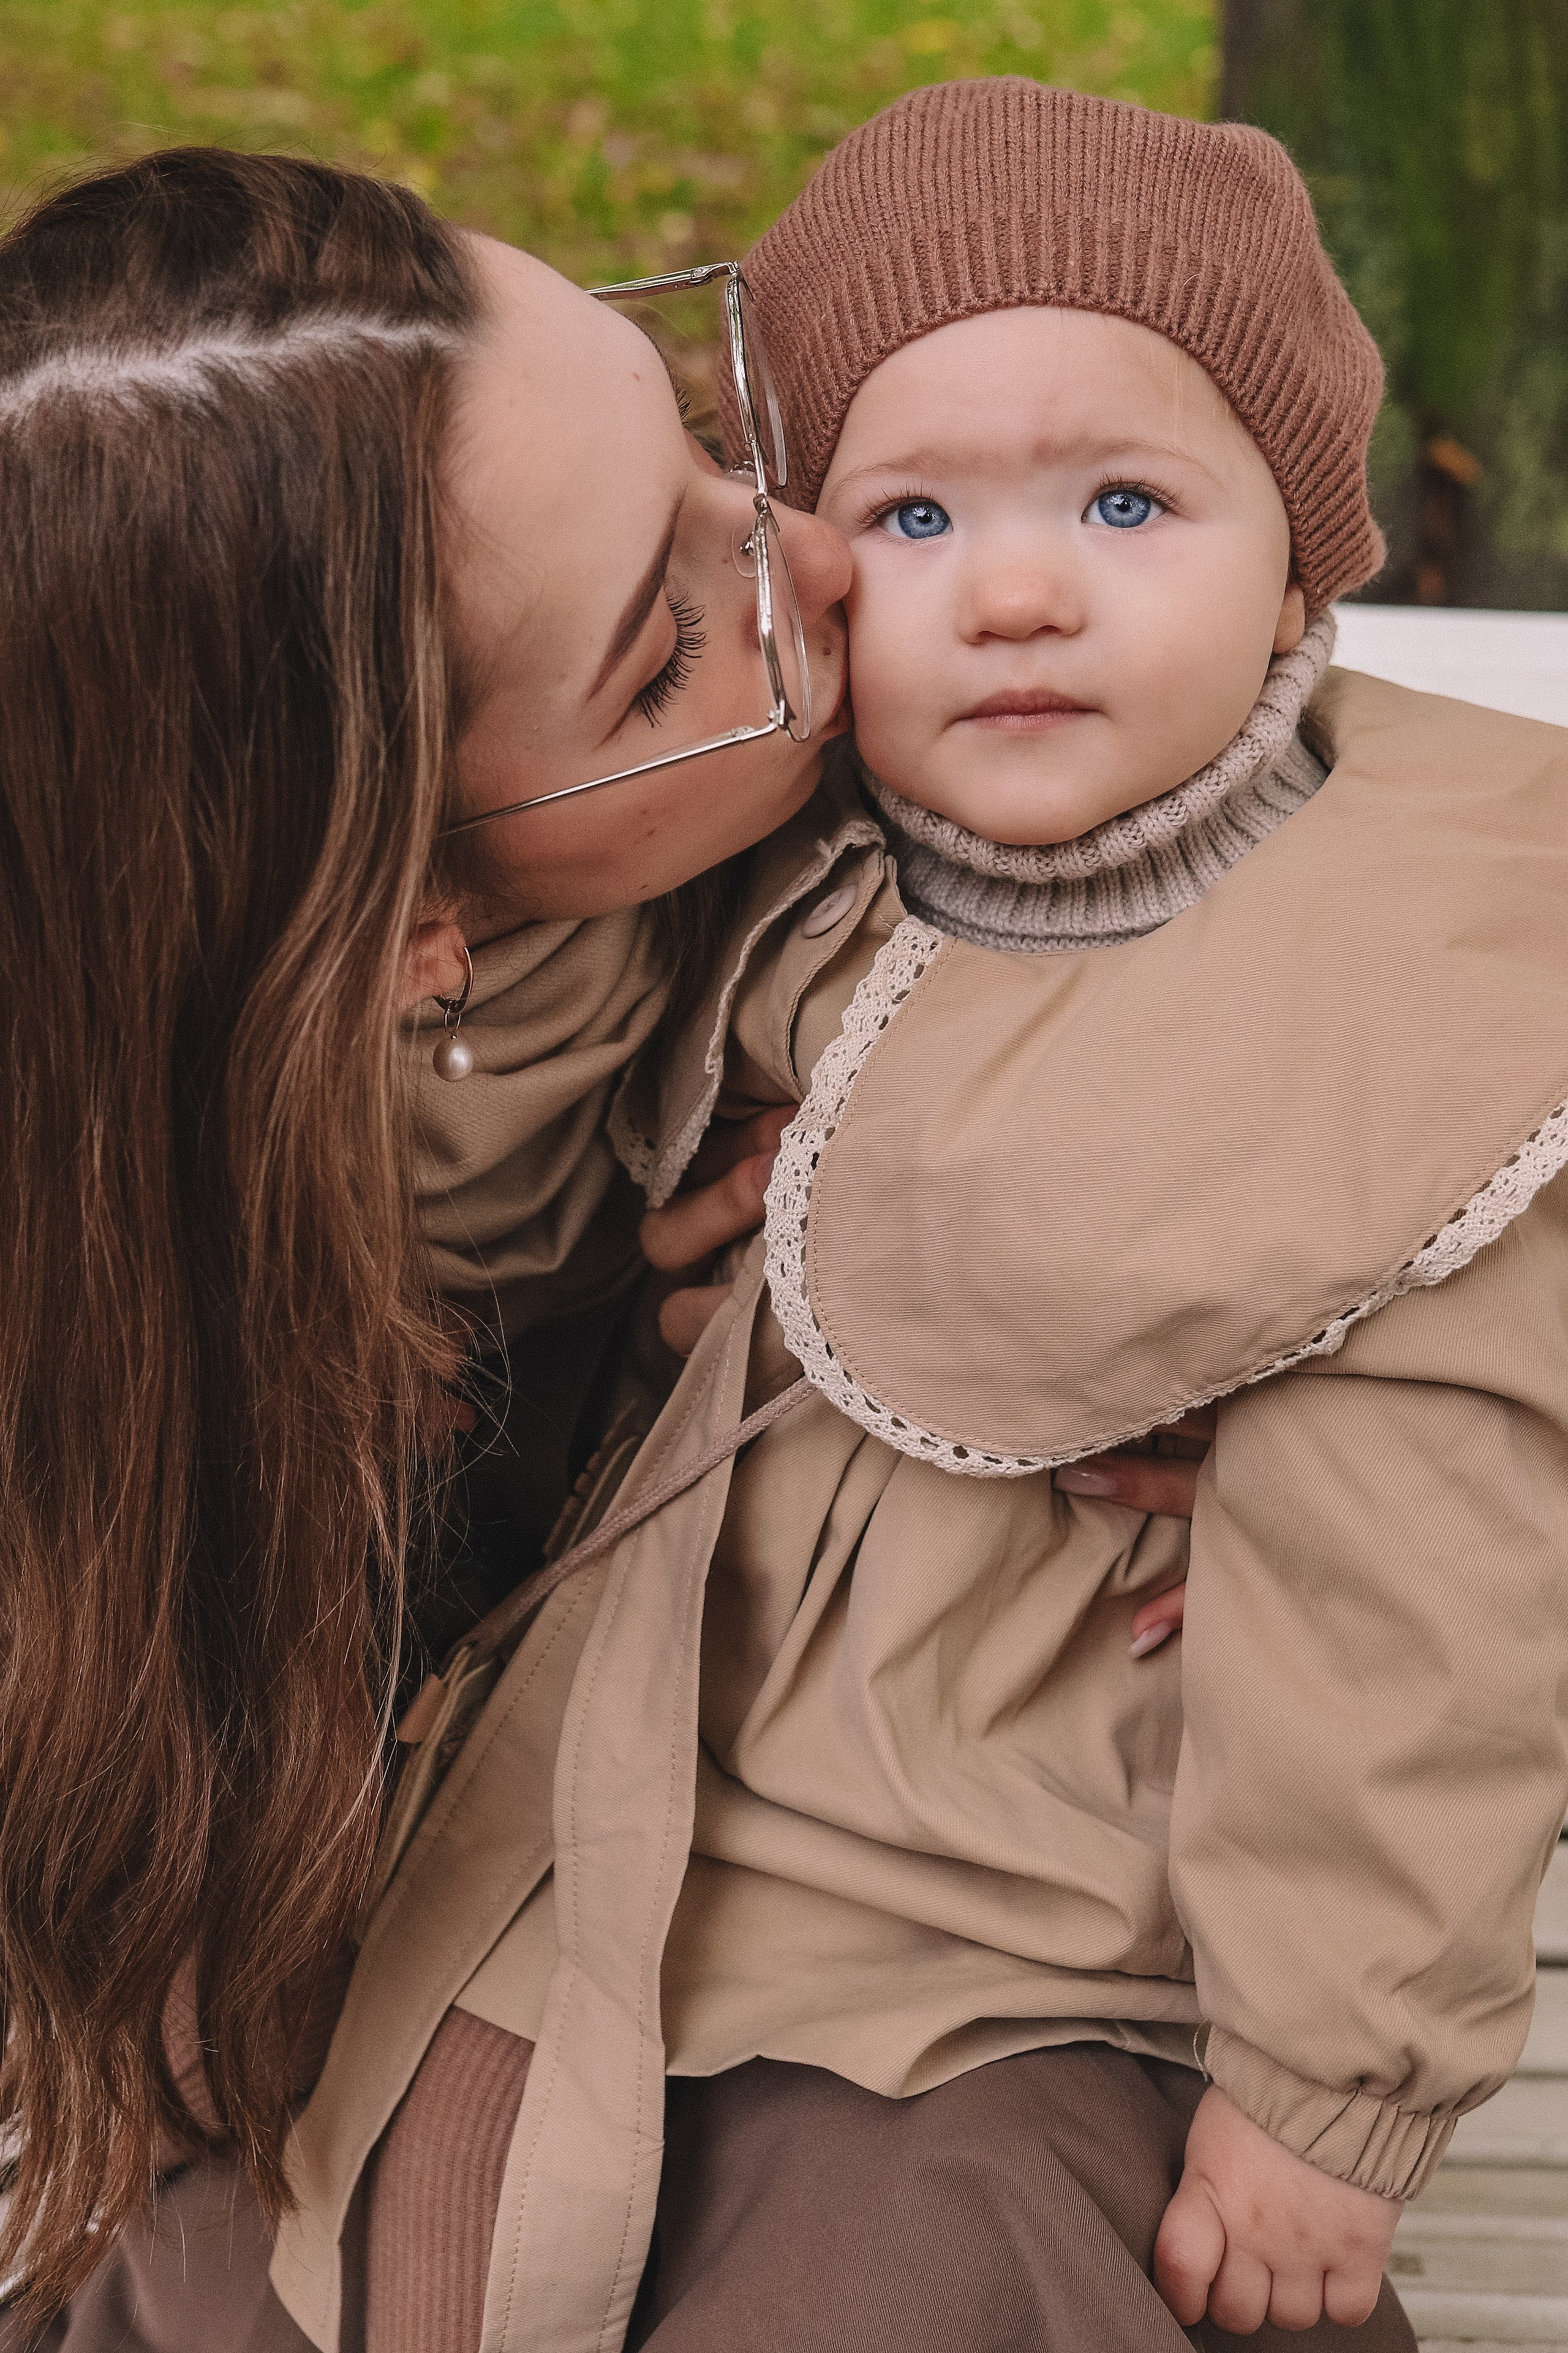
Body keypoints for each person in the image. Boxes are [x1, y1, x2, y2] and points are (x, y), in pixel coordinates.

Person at [293, 80, 1568, 2353]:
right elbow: (494, 1197)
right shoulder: (804, 871)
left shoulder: (1391, 1002)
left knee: (910, 2276)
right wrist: (482, 901)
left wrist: (1329, 2084)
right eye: (908, 511)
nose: (1014, 587)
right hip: (610, 1825)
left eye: (1123, 499)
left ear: (1303, 564)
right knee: (294, 2241)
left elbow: (1420, 1588)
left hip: (1030, 1914)